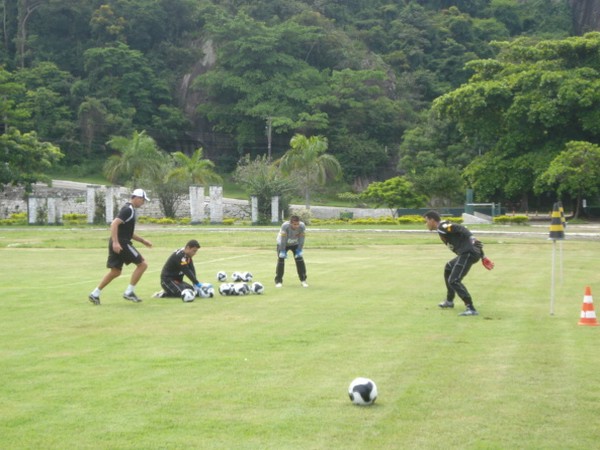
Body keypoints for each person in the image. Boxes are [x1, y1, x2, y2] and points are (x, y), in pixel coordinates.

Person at [423, 210, 494, 316]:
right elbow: (471, 240)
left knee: (454, 280)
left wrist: (472, 238)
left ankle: (471, 308)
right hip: (468, 253)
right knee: (448, 267)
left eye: (426, 221)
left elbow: (461, 228)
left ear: (432, 220)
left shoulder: (443, 226)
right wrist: (483, 256)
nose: (426, 224)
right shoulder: (442, 228)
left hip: (467, 254)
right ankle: (449, 301)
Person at [88, 188, 152, 305]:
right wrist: (116, 242)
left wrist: (143, 241)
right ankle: (129, 292)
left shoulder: (130, 209)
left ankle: (95, 294)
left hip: (119, 242)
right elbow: (114, 224)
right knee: (142, 264)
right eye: (142, 200)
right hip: (122, 243)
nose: (143, 203)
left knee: (116, 271)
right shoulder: (128, 210)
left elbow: (128, 232)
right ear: (136, 198)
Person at [275, 215, 308, 288]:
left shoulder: (302, 226)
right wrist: (283, 251)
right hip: (283, 244)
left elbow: (302, 238)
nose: (296, 226)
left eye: (297, 224)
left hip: (295, 243)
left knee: (299, 260)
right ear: (290, 223)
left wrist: (299, 250)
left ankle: (303, 280)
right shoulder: (285, 226)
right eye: (294, 224)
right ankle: (278, 281)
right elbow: (283, 239)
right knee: (281, 260)